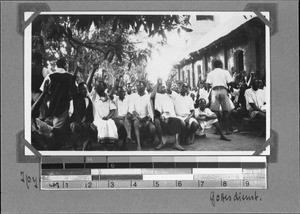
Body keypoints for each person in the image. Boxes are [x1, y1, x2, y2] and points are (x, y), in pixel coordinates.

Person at [151, 79, 185, 151]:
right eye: (161, 87)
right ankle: (161, 142)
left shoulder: (169, 94)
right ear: (158, 88)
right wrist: (157, 83)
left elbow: (169, 88)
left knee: (177, 121)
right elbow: (152, 96)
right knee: (157, 121)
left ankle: (176, 144)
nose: (163, 88)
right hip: (162, 115)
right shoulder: (157, 95)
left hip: (172, 116)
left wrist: (171, 77)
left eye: (164, 87)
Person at [125, 79, 158, 151]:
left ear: (144, 87)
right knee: (136, 124)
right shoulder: (133, 96)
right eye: (137, 85)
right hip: (136, 118)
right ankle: (138, 145)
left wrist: (146, 118)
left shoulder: (148, 97)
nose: (138, 87)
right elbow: (131, 108)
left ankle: (152, 140)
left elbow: (150, 111)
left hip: (146, 118)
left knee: (153, 128)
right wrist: (138, 117)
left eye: (140, 85)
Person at [205, 59, 234, 135]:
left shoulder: (210, 73)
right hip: (223, 90)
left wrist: (209, 90)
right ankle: (227, 130)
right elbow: (231, 82)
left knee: (216, 112)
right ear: (221, 65)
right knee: (226, 111)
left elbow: (207, 85)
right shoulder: (225, 72)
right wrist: (230, 89)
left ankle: (217, 130)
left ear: (213, 66)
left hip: (215, 91)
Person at [90, 79, 118, 148]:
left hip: (107, 119)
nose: (98, 86)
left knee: (111, 123)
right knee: (102, 124)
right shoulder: (94, 96)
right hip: (97, 120)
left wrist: (107, 117)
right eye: (97, 85)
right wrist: (93, 70)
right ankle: (104, 146)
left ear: (105, 88)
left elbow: (112, 110)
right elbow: (88, 84)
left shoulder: (108, 98)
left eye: (100, 85)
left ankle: (112, 144)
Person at [68, 82, 95, 150]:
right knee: (74, 127)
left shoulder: (89, 100)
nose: (85, 91)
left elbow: (90, 115)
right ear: (79, 90)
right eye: (83, 89)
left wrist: (89, 122)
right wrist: (80, 121)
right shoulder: (75, 99)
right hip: (76, 121)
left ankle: (84, 149)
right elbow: (73, 114)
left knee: (91, 129)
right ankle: (74, 147)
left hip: (86, 123)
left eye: (86, 89)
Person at [112, 85, 132, 150]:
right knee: (120, 123)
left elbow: (130, 110)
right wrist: (114, 85)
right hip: (117, 118)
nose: (122, 93)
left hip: (125, 118)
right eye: (120, 91)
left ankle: (124, 143)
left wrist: (126, 116)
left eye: (123, 91)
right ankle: (116, 143)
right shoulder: (116, 98)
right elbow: (110, 96)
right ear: (118, 92)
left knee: (125, 122)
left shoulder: (128, 99)